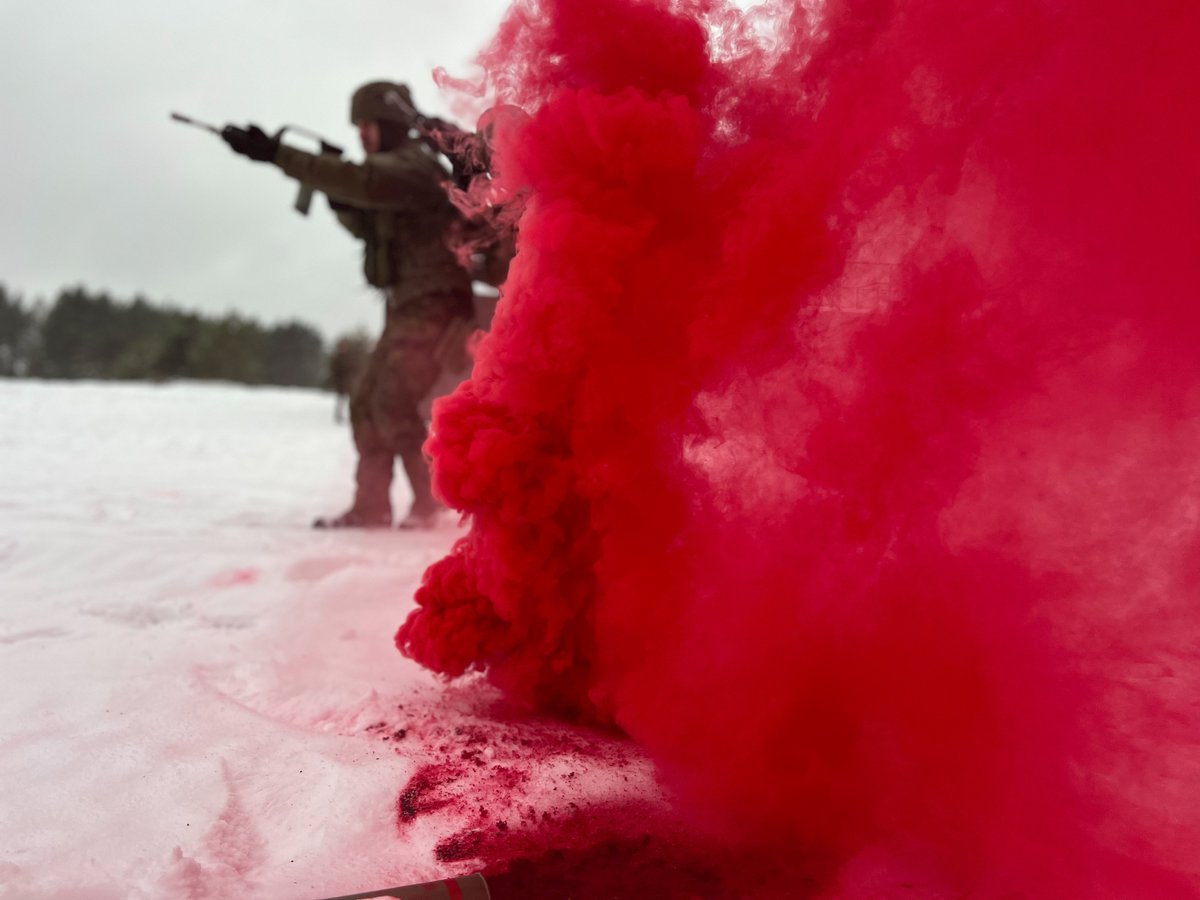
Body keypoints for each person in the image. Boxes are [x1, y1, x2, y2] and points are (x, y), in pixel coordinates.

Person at [222, 81, 475, 529]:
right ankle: (371, 506)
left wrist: (281, 157)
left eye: (367, 125)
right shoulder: (393, 178)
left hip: (434, 306)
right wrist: (337, 196)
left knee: (393, 402)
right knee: (365, 402)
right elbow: (368, 221)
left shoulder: (414, 168)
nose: (361, 135)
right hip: (409, 306)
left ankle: (428, 504)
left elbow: (364, 182)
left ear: (390, 124)